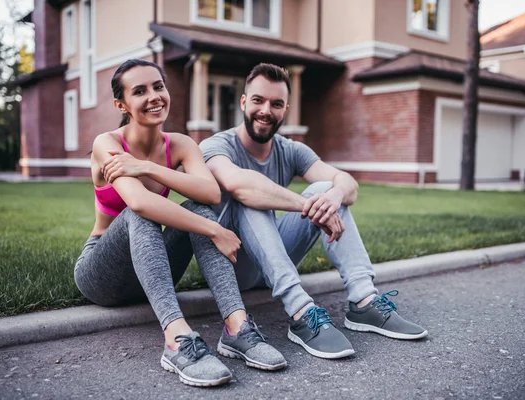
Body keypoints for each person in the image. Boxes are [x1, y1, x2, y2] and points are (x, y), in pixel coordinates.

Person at [74, 59, 286, 388]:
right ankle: (176, 339)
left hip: (153, 268)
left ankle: (237, 328)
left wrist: (148, 168)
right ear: (122, 105)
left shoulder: (182, 145)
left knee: (198, 207)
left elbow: (211, 193)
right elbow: (141, 202)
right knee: (140, 213)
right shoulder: (108, 144)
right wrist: (216, 230)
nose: (154, 96)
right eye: (140, 91)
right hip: (103, 273)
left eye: (158, 86)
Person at [200, 63, 428, 360]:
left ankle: (364, 301)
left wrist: (332, 197)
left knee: (326, 191)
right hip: (235, 265)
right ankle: (301, 312)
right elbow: (239, 185)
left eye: (276, 104)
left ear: (286, 109)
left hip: (274, 255)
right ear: (244, 101)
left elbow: (348, 184)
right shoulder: (216, 145)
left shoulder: (290, 149)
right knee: (252, 197)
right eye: (258, 100)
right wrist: (308, 204)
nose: (266, 110)